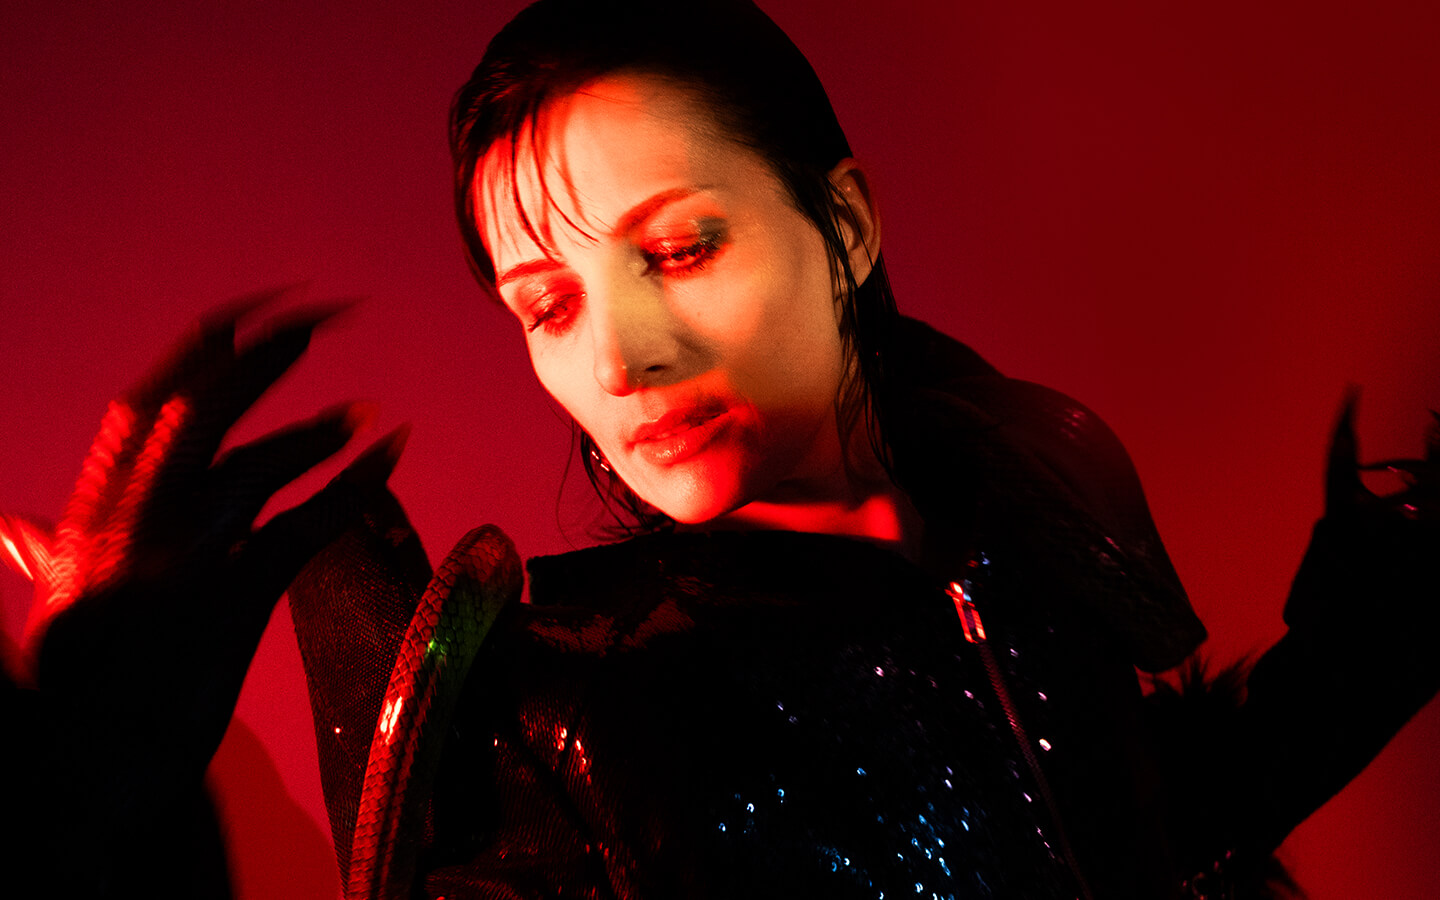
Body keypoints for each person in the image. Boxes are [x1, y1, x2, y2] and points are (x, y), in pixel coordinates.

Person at [4, 1, 1435, 898]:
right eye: (548, 305)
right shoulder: (571, 703)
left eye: (680, 248)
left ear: (846, 227)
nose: (617, 359)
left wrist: (1380, 632)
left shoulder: (1033, 486)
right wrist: (96, 815)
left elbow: (1149, 825)